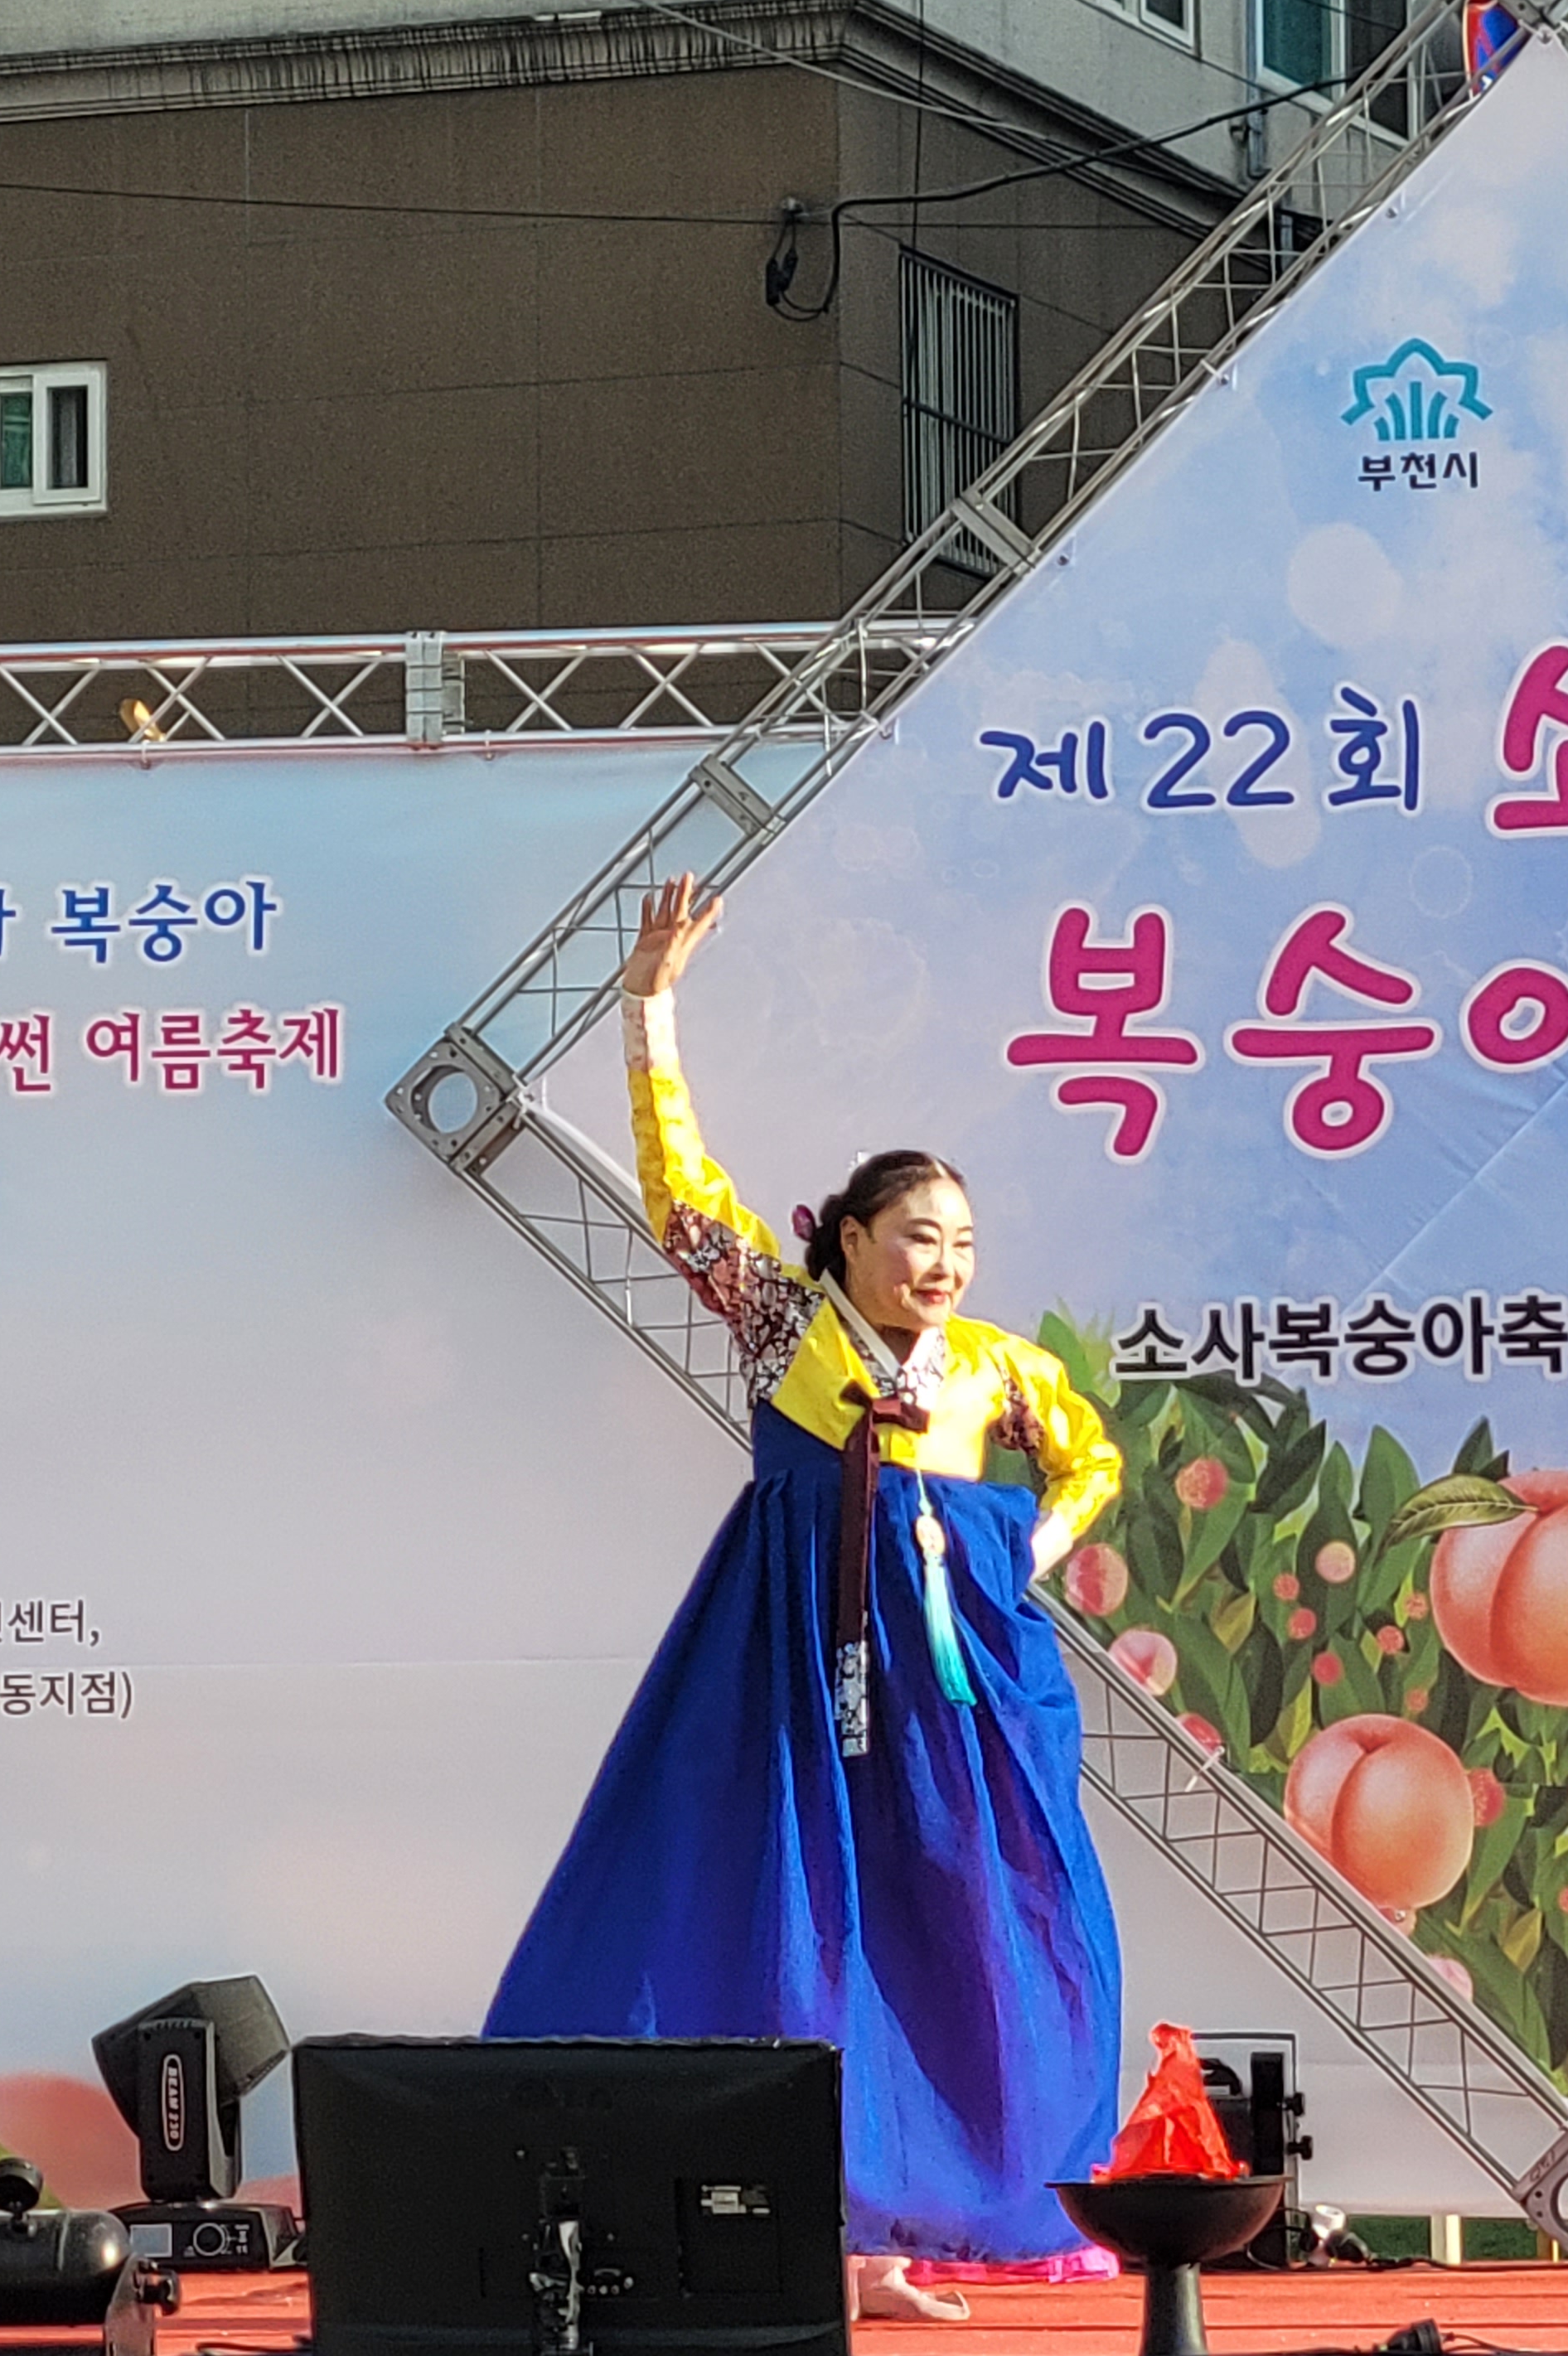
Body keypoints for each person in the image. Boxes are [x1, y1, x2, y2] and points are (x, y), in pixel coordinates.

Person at [485, 872, 1126, 2323]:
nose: (944, 1265)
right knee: (784, 1906)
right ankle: (825, 2233)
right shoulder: (786, 1325)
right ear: (847, 1240)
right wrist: (649, 1007)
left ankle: (957, 2201)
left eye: (962, 1244)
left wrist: (1005, 1557)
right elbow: (680, 1195)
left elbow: (1090, 1459)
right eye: (918, 1236)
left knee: (976, 1912)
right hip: (794, 1648)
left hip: (947, 1677)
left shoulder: (996, 1369)